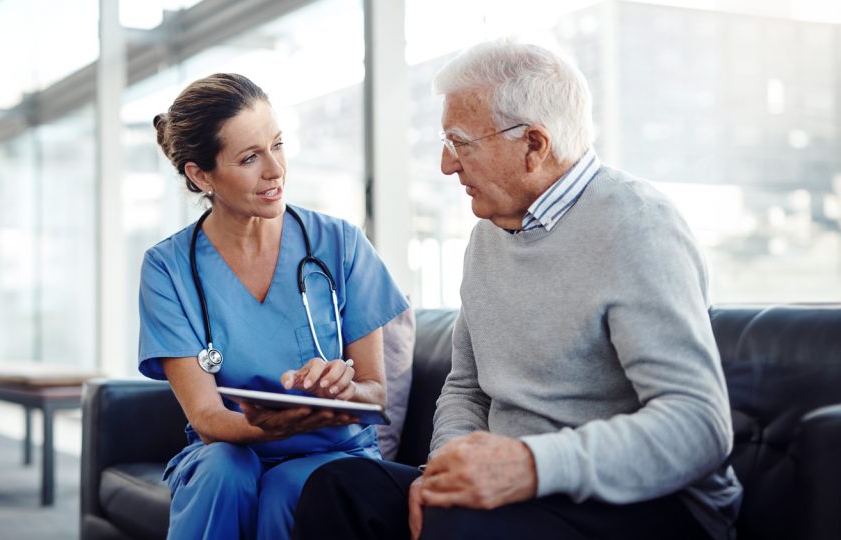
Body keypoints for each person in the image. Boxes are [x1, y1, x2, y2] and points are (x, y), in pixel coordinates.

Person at [292, 40, 742, 540]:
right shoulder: (489, 234)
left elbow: (698, 425)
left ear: (534, 144)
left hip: (648, 504)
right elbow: (467, 387)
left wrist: (530, 465)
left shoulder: (637, 225)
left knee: (462, 523)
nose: (447, 165)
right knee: (339, 486)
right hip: (516, 495)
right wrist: (444, 471)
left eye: (460, 143)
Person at [139, 73, 408, 539]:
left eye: (278, 145)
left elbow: (375, 394)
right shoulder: (167, 268)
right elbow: (206, 418)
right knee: (224, 470)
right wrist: (276, 427)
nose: (275, 170)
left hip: (334, 452)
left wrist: (341, 394)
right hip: (230, 447)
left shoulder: (340, 244)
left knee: (292, 487)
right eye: (249, 158)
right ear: (201, 175)